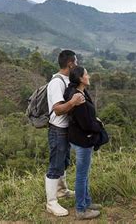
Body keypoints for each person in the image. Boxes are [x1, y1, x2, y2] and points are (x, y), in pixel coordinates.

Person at [45, 50, 85, 217]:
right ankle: (51, 202)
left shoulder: (67, 80)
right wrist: (73, 101)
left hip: (66, 129)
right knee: (55, 164)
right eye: (75, 62)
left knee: (64, 161)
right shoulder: (57, 83)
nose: (77, 64)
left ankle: (62, 190)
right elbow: (58, 109)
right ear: (70, 63)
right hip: (57, 130)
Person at [64, 66, 103, 220]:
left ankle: (86, 202)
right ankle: (81, 210)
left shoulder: (77, 92)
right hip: (83, 140)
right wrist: (98, 125)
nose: (89, 76)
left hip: (76, 138)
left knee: (84, 174)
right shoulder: (78, 98)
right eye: (86, 74)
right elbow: (86, 124)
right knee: (81, 175)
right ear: (80, 78)